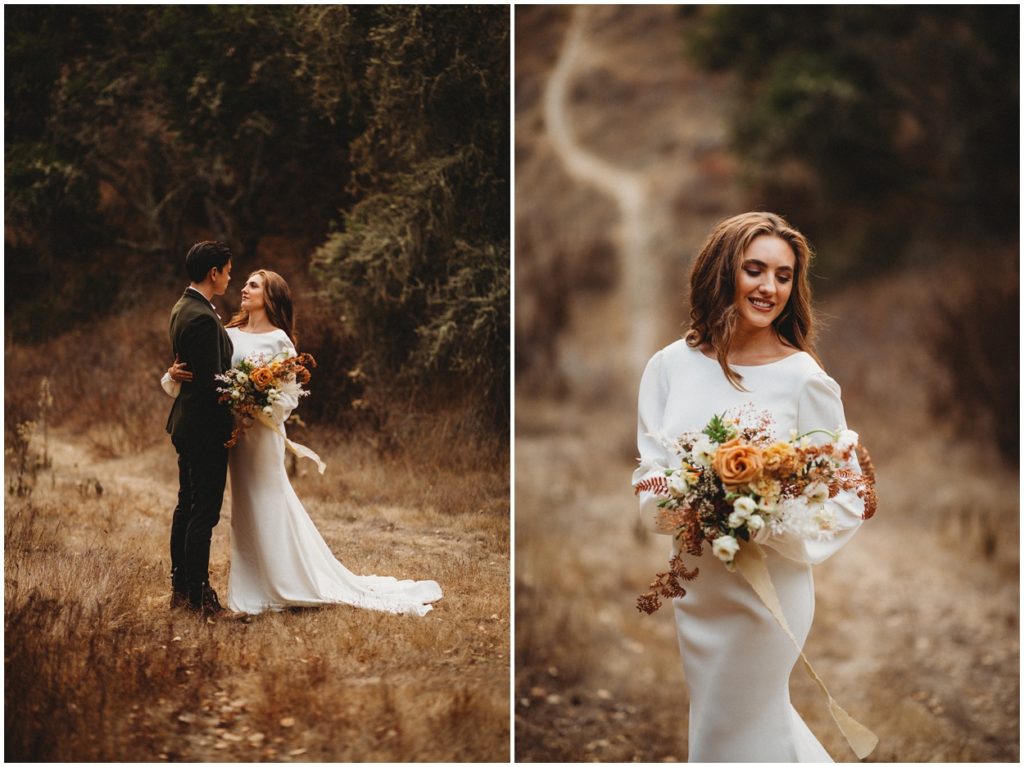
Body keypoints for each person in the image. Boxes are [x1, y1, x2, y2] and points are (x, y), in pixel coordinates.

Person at [633, 212, 866, 762]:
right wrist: (689, 505)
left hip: (770, 595)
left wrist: (762, 519)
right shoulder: (669, 366)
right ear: (721, 272)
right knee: (732, 730)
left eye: (783, 276)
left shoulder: (804, 377)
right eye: (754, 270)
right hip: (701, 589)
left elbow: (846, 493)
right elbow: (653, 469)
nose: (769, 288)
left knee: (736, 728)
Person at [163, 268, 443, 617]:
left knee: (268, 500)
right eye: (245, 282)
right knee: (243, 509)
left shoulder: (280, 340)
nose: (243, 289)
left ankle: (286, 580)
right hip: (232, 437)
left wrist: (255, 406)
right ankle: (252, 579)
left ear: (270, 296)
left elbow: (288, 396)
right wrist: (171, 376)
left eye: (253, 285)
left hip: (261, 436)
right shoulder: (227, 332)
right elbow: (203, 374)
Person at [166, 240, 235, 616]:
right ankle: (199, 596)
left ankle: (180, 589)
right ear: (214, 272)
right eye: (227, 270)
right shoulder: (202, 318)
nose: (230, 276)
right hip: (205, 429)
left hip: (187, 424)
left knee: (186, 507)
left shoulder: (183, 308)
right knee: (203, 514)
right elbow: (213, 384)